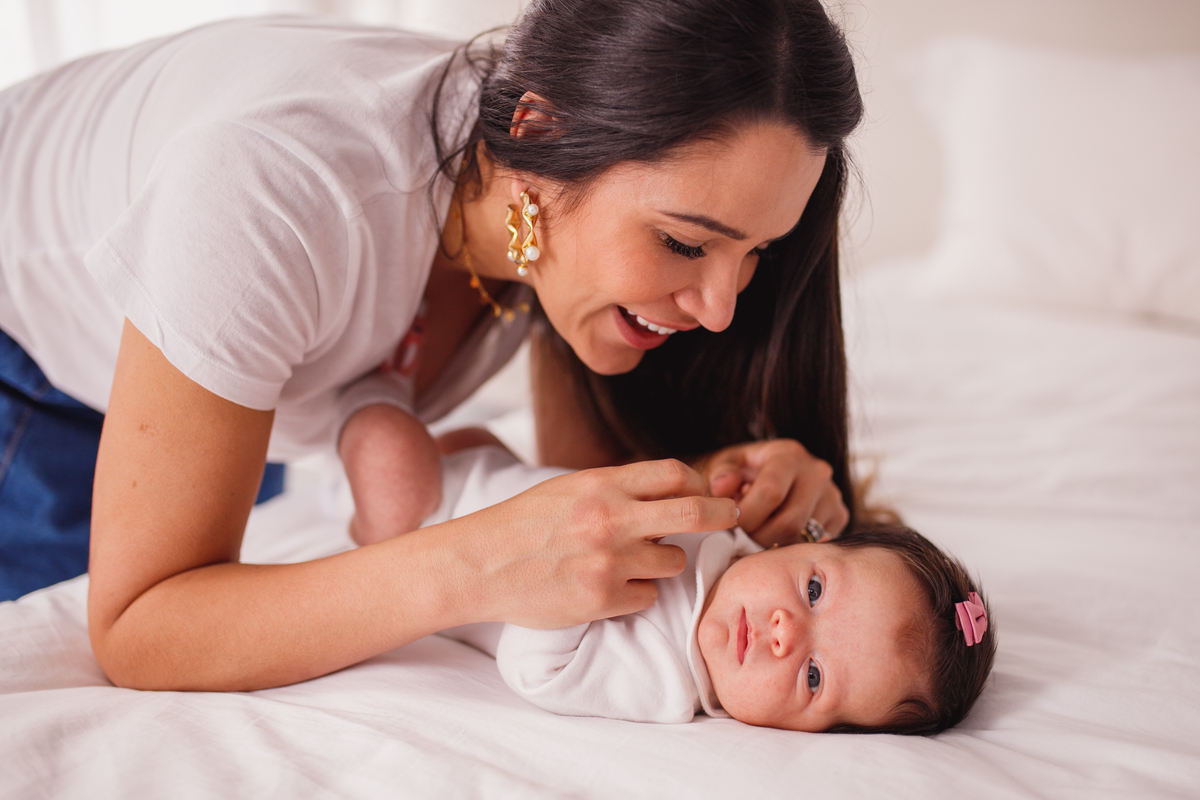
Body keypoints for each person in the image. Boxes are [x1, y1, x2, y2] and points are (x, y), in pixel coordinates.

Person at [0, 0, 865, 692]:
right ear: (538, 133)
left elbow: (573, 485)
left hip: (196, 361)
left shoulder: (541, 194)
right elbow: (140, 632)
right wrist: (474, 563)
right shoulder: (271, 193)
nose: (720, 310)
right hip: (28, 370)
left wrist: (732, 497)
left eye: (757, 253)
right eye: (684, 244)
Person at [429, 444, 995, 734]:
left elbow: (535, 672)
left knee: (382, 444)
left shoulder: (664, 677)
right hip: (494, 468)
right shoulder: (732, 537)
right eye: (815, 591)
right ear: (799, 545)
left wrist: (581, 584)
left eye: (813, 676)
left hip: (433, 531)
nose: (783, 630)